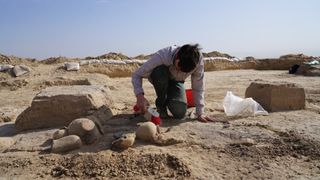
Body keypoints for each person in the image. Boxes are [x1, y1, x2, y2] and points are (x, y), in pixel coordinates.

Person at [132, 44, 215, 123]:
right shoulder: (162, 56)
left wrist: (200, 113)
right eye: (179, 68)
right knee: (159, 72)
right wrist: (140, 96)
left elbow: (198, 86)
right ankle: (161, 105)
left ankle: (171, 98)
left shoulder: (198, 60)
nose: (178, 71)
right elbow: (136, 75)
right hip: (160, 79)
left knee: (179, 112)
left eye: (183, 71)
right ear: (177, 59)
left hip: (177, 82)